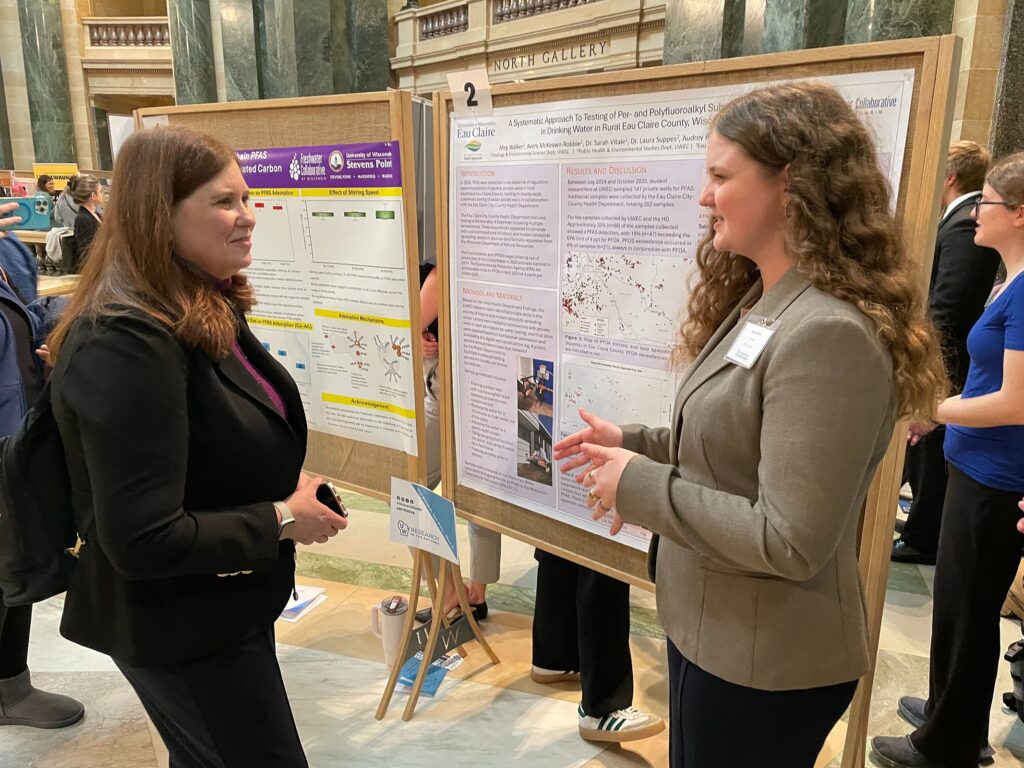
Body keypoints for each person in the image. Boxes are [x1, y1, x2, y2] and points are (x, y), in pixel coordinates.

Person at [555, 81, 945, 767]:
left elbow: (790, 537)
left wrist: (640, 486)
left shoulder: (828, 333)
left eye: (720, 176)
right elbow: (734, 442)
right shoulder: (766, 299)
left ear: (789, 183)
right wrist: (634, 445)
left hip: (767, 661)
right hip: (715, 631)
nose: (705, 196)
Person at [43, 126, 349, 767]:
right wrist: (283, 518)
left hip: (219, 608)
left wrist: (278, 485)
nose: (248, 218)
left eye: (246, 197)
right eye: (224, 202)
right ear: (161, 214)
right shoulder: (127, 339)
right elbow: (142, 537)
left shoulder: (196, 304)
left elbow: (205, 444)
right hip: (178, 626)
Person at [872, 152, 1024, 768]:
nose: (975, 214)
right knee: (958, 603)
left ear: (1019, 214)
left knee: (968, 612)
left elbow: (1015, 401)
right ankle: (944, 708)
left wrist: (937, 408)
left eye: (986, 203)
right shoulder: (1011, 279)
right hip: (978, 466)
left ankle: (951, 744)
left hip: (996, 475)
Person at [893, 141, 1002, 565]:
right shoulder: (958, 219)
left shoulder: (960, 224)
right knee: (921, 452)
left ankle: (923, 535)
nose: (980, 214)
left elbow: (949, 303)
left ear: (950, 175)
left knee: (929, 453)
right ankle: (920, 524)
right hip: (946, 359)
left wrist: (929, 368)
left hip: (948, 360)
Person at [0, 202, 84, 730]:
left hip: (17, 443)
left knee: (16, 569)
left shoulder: (7, 248)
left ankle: (11, 687)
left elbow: (25, 314)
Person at [415, 263, 497, 622]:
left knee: (411, 485)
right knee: (478, 477)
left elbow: (409, 322)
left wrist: (413, 331)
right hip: (485, 372)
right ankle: (475, 592)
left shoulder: (440, 263)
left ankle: (450, 592)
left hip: (449, 379)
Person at [70, 174, 102, 265]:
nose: (102, 194)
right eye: (100, 191)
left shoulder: (96, 215)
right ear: (93, 195)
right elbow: (88, 250)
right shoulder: (82, 219)